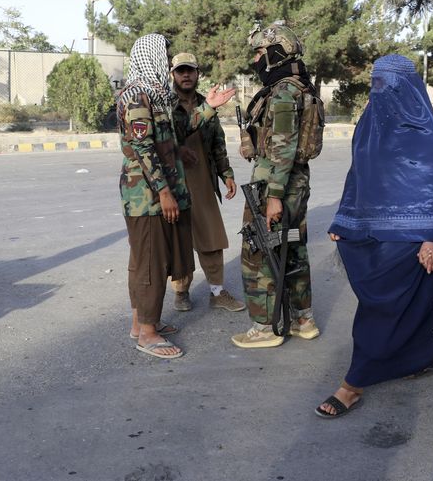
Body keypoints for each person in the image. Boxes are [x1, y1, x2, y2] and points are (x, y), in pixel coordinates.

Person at [315, 54, 433, 418]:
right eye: (374, 82)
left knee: (384, 307)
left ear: (406, 86)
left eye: (387, 83)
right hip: (371, 227)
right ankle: (424, 355)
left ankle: (352, 385)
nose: (379, 90)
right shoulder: (370, 123)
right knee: (402, 303)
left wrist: (428, 237)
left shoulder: (421, 130)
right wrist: (344, 219)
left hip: (415, 233)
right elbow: (357, 174)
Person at [116, 33, 234, 359]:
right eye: (164, 54)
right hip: (147, 196)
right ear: (148, 55)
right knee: (150, 262)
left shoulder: (156, 95)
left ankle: (142, 323)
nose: (168, 61)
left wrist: (207, 110)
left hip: (158, 193)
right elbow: (142, 146)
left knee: (153, 260)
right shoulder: (137, 96)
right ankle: (147, 333)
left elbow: (172, 133)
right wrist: (164, 191)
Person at [231, 22, 322, 348]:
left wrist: (274, 197)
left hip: (275, 186)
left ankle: (264, 328)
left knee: (260, 253)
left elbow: (282, 149)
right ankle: (303, 320)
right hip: (296, 183)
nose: (256, 59)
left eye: (259, 52)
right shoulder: (302, 87)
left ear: (276, 53)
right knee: (294, 249)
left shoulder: (284, 93)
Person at [169, 52, 245, 313]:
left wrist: (226, 173)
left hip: (202, 179)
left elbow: (217, 143)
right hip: (174, 181)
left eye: (190, 70)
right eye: (181, 71)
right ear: (173, 74)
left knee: (211, 237)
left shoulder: (205, 101)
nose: (186, 75)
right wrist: (209, 109)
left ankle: (217, 291)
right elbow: (178, 130)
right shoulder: (167, 104)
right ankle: (181, 291)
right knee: (179, 239)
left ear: (198, 73)